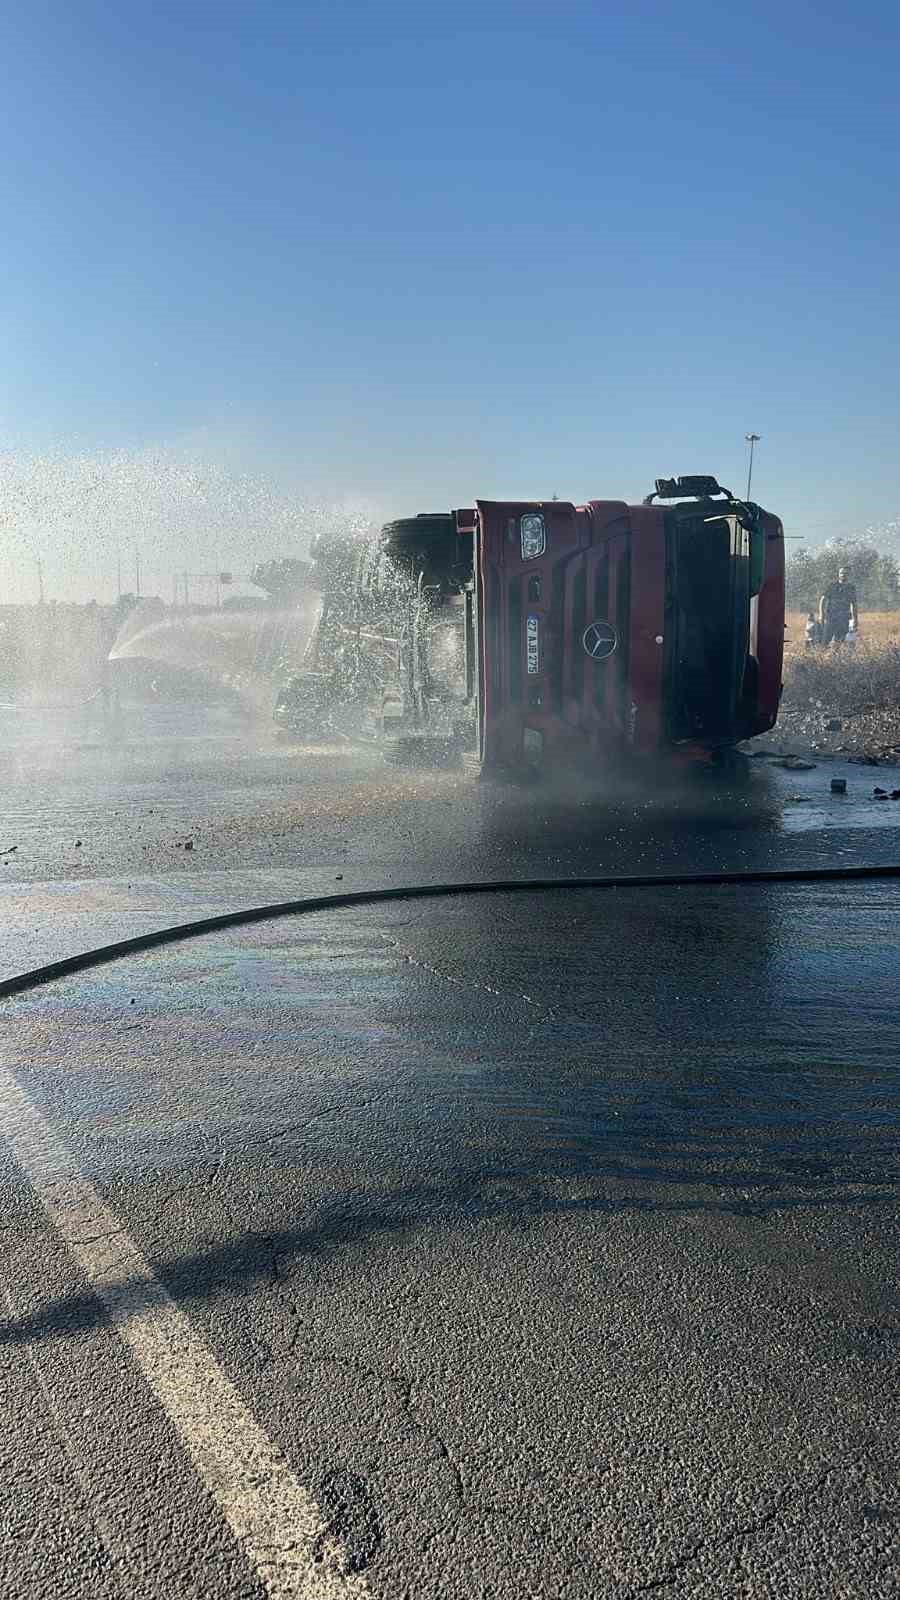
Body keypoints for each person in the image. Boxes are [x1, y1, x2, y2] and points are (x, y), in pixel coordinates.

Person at [818, 567, 858, 645]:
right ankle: (821, 656)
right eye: (841, 573)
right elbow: (823, 599)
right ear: (838, 574)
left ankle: (836, 656)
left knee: (840, 641)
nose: (843, 575)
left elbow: (853, 604)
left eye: (845, 573)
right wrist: (821, 615)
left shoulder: (851, 588)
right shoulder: (832, 585)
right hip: (831, 617)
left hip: (844, 618)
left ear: (849, 575)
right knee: (825, 640)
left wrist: (855, 619)